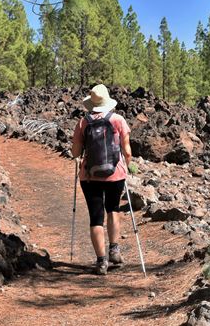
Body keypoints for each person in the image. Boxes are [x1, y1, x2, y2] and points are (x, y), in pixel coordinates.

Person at [71, 84, 132, 275]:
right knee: (113, 209)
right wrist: (126, 166)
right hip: (116, 174)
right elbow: (127, 151)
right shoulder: (118, 120)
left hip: (89, 176)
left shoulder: (83, 122)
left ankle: (101, 262)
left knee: (96, 217)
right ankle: (114, 249)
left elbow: (75, 151)